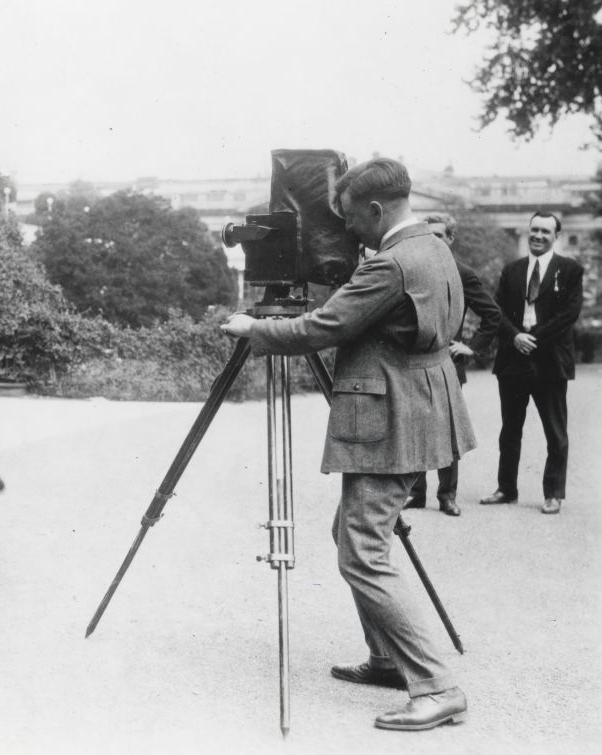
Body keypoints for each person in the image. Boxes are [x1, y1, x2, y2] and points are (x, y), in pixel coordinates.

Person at [221, 158, 472, 731]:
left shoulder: (388, 265)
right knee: (354, 533)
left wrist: (253, 329)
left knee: (362, 551)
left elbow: (320, 328)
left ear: (377, 209)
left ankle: (435, 685)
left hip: (390, 417)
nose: (347, 230)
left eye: (351, 216)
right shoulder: (433, 247)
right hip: (419, 407)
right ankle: (388, 659)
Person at [480, 211, 583, 515]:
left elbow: (568, 316)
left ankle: (553, 493)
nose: (538, 236)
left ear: (556, 237)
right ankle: (506, 489)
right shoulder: (512, 270)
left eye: (545, 232)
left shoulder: (570, 270)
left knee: (556, 431)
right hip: (513, 360)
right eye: (534, 230)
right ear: (528, 233)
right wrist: (514, 337)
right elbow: (496, 310)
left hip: (550, 360)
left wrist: (532, 338)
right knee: (510, 430)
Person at [403, 213, 501, 517]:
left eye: (440, 235)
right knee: (415, 429)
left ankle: (447, 495)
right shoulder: (411, 269)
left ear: (451, 238)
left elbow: (493, 316)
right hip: (413, 364)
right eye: (427, 235)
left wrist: (470, 347)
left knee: (446, 432)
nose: (433, 241)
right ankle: (417, 494)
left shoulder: (463, 273)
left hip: (447, 364)